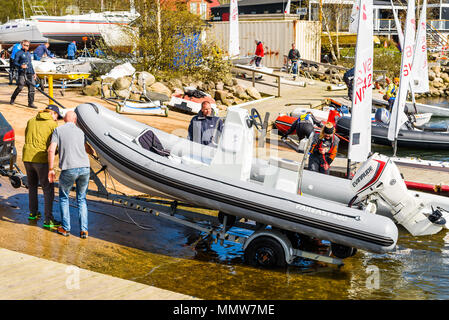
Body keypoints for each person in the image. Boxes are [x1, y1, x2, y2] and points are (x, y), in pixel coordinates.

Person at [48, 111, 94, 239]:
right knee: (81, 199)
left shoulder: (58, 130)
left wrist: (51, 168)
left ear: (64, 120)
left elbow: (52, 149)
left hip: (69, 168)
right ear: (75, 120)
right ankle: (84, 231)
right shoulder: (81, 131)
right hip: (85, 168)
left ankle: (65, 228)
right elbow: (88, 149)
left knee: (64, 197)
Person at [22, 105, 63, 228]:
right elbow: (54, 144)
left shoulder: (31, 120)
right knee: (48, 189)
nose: (57, 119)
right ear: (53, 113)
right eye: (57, 117)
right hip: (41, 160)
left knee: (32, 186)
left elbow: (26, 137)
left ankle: (33, 213)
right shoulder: (52, 124)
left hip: (27, 157)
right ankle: (48, 220)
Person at [10, 40, 38, 109]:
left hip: (30, 73)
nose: (27, 47)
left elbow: (31, 64)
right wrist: (20, 66)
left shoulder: (28, 54)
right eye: (26, 45)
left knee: (32, 88)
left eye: (28, 45)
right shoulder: (18, 53)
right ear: (22, 45)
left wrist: (34, 73)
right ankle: (12, 98)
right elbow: (14, 63)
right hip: (22, 73)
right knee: (20, 87)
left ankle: (31, 103)